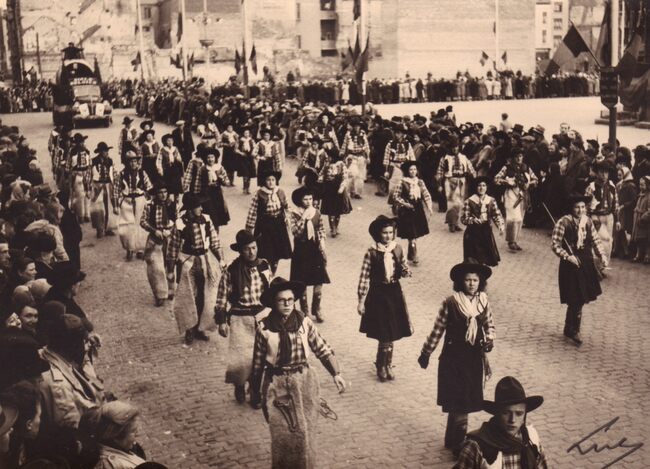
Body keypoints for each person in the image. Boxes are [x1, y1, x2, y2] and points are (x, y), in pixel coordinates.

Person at [249, 277, 346, 469]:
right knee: (283, 432)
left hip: (303, 382)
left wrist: (336, 373)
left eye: (290, 300)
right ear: (274, 303)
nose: (287, 304)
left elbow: (322, 348)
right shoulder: (265, 328)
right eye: (281, 300)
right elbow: (258, 362)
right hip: (277, 383)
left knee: (305, 430)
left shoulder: (304, 323)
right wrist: (256, 390)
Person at [418, 259, 495, 456]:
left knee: (464, 399)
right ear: (461, 282)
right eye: (468, 280)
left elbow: (489, 325)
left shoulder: (483, 302)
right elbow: (437, 330)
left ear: (480, 282)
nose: (471, 284)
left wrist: (489, 339)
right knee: (458, 399)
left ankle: (453, 438)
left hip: (473, 358)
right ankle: (458, 443)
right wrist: (426, 352)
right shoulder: (451, 303)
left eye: (475, 280)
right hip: (453, 358)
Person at [214, 230, 273, 405]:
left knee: (261, 357)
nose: (251, 252)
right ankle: (239, 384)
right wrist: (221, 321)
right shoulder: (231, 270)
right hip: (240, 317)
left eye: (254, 247)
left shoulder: (264, 266)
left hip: (261, 316)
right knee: (242, 357)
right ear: (241, 250)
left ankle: (255, 391)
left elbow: (271, 291)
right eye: (247, 249)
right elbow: (221, 296)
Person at [357, 215, 413, 382]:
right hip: (378, 294)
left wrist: (405, 271)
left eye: (390, 232)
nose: (388, 236)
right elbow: (364, 277)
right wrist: (361, 301)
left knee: (392, 328)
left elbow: (404, 266)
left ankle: (388, 364)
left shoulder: (398, 248)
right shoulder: (372, 252)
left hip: (394, 292)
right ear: (378, 234)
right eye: (384, 233)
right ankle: (381, 365)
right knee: (383, 330)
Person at [166, 193, 225, 345]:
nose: (201, 208)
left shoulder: (206, 220)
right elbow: (173, 248)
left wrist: (221, 259)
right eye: (198, 206)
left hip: (204, 260)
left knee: (205, 295)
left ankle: (201, 327)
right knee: (189, 296)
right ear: (190, 209)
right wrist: (171, 270)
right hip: (188, 261)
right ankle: (189, 329)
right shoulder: (180, 223)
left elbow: (215, 242)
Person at [453, 376, 548, 469]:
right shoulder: (476, 446)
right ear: (497, 414)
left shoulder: (531, 439)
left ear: (524, 416)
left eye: (519, 414)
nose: (512, 420)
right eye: (506, 413)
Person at [551, 194, 606, 346]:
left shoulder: (587, 221)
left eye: (582, 207)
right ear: (571, 208)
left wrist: (602, 255)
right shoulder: (564, 222)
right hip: (570, 264)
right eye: (577, 207)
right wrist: (567, 256)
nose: (580, 210)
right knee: (575, 297)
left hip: (586, 262)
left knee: (580, 297)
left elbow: (595, 239)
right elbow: (555, 244)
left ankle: (570, 327)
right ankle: (574, 329)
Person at [289, 186, 330, 322]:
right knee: (302, 282)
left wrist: (322, 241)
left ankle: (316, 308)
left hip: (315, 249)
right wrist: (303, 219)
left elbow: (321, 228)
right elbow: (296, 232)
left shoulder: (316, 212)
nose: (308, 202)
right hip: (301, 250)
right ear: (300, 200)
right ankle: (305, 310)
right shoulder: (294, 214)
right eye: (305, 199)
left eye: (310, 199)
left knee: (319, 280)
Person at [244, 171, 292, 275]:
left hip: (279, 225)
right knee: (267, 251)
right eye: (268, 180)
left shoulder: (280, 192)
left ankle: (273, 270)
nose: (271, 182)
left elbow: (287, 206)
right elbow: (252, 211)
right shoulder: (259, 194)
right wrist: (249, 228)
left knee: (278, 251)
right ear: (264, 181)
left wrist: (289, 218)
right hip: (265, 225)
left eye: (273, 180)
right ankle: (266, 271)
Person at [140, 183, 176, 307]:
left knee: (170, 265)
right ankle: (160, 294)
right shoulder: (150, 205)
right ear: (156, 194)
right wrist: (154, 230)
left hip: (170, 239)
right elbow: (143, 221)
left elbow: (178, 220)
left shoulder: (172, 205)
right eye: (160, 192)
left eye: (165, 192)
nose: (163, 195)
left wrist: (171, 229)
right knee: (156, 267)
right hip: (155, 240)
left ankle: (171, 290)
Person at [494, 149, 538, 251]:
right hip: (511, 194)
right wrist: (507, 182)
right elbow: (496, 179)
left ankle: (515, 240)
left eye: (520, 156)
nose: (519, 158)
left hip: (523, 195)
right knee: (513, 217)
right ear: (513, 158)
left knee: (520, 218)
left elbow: (536, 179)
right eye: (517, 156)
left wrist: (529, 184)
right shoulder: (507, 167)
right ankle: (511, 241)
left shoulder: (526, 168)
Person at [391, 160, 433, 265]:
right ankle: (414, 255)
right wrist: (405, 204)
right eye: (411, 169)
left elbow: (426, 194)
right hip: (406, 211)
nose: (413, 171)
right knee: (412, 234)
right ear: (407, 171)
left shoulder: (420, 182)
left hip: (417, 209)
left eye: (415, 169)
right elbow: (395, 196)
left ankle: (411, 254)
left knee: (414, 234)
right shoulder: (402, 182)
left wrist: (429, 207)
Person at [115, 151, 152, 261]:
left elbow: (149, 187)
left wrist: (149, 199)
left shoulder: (142, 173)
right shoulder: (121, 174)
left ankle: (140, 249)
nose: (133, 164)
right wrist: (116, 204)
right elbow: (116, 190)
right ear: (127, 163)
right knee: (127, 226)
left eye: (135, 161)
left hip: (140, 200)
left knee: (140, 224)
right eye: (130, 161)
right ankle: (129, 248)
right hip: (127, 201)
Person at [461, 176, 505, 266]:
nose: (481, 188)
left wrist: (500, 225)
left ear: (487, 187)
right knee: (473, 259)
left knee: (485, 258)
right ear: (476, 187)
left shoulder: (491, 200)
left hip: (486, 232)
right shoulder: (469, 201)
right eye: (479, 185)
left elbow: (496, 214)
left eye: (484, 185)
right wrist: (472, 220)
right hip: (472, 233)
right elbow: (464, 218)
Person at [437, 136, 477, 232]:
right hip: (450, 181)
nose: (455, 149)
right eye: (453, 147)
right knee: (451, 202)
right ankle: (451, 224)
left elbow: (471, 169)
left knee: (459, 203)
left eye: (456, 147)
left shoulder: (463, 157)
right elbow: (439, 172)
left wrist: (475, 177)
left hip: (461, 181)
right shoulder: (445, 158)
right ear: (450, 148)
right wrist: (439, 184)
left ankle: (456, 222)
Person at [585, 160, 618, 275]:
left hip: (608, 216)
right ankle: (596, 267)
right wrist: (589, 218)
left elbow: (615, 203)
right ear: (597, 172)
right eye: (601, 172)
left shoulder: (611, 186)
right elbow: (586, 204)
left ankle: (603, 266)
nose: (604, 175)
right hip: (596, 216)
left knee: (609, 242)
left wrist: (617, 220)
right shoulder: (592, 187)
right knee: (599, 241)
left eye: (606, 172)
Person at [94, 401, 146, 469]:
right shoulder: (118, 466)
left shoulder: (122, 449)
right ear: (116, 436)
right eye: (133, 431)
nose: (137, 434)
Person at [319, 150, 352, 237]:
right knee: (330, 210)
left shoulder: (341, 165)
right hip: (328, 190)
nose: (328, 158)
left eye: (329, 156)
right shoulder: (327, 164)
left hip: (338, 190)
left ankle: (336, 226)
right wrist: (321, 178)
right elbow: (321, 173)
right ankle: (332, 227)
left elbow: (345, 177)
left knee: (337, 210)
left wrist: (342, 187)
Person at [90, 142, 118, 239]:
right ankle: (99, 228)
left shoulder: (110, 161)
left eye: (107, 151)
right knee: (98, 208)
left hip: (108, 185)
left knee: (108, 207)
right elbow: (88, 174)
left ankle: (107, 228)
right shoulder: (93, 161)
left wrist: (114, 184)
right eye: (105, 151)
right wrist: (90, 186)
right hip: (97, 185)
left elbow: (113, 173)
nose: (107, 153)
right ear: (100, 152)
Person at [199, 147, 230, 231]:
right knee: (209, 215)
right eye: (208, 157)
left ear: (215, 158)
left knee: (217, 216)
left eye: (212, 157)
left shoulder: (220, 168)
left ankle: (216, 233)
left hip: (218, 195)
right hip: (206, 195)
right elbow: (198, 183)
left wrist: (222, 180)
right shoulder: (202, 169)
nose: (210, 159)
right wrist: (207, 185)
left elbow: (227, 182)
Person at [382, 123, 415, 200]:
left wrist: (413, 166)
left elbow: (412, 156)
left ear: (403, 134)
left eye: (399, 133)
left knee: (404, 186)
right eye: (396, 133)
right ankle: (393, 201)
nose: (397, 135)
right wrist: (386, 170)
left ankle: (401, 202)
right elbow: (386, 157)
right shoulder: (390, 144)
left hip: (405, 166)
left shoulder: (407, 144)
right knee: (393, 186)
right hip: (394, 165)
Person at [340, 117, 370, 199]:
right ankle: (350, 191)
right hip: (351, 156)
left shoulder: (363, 134)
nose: (357, 127)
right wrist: (342, 153)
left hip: (361, 156)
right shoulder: (348, 134)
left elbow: (366, 146)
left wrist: (368, 156)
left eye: (358, 126)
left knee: (360, 176)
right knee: (352, 174)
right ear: (353, 126)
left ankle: (358, 192)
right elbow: (344, 144)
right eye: (355, 126)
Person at [158, 134, 184, 203]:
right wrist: (160, 170)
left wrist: (178, 160)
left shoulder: (175, 149)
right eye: (168, 141)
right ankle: (167, 202)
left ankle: (176, 202)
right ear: (165, 142)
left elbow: (180, 159)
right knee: (168, 187)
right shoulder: (162, 150)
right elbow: (159, 161)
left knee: (176, 188)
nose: (170, 142)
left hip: (175, 171)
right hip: (167, 171)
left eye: (171, 141)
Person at [632, 175, 650, 263]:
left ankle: (647, 255)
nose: (641, 187)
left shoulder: (649, 196)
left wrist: (643, 217)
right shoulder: (640, 195)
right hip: (638, 220)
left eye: (643, 185)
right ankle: (638, 254)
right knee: (638, 238)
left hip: (645, 221)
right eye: (640, 184)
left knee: (646, 239)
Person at [237, 126, 256, 194]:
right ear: (243, 134)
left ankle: (248, 187)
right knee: (245, 173)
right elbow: (236, 149)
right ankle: (245, 187)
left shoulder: (251, 140)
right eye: (245, 133)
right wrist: (241, 153)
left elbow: (255, 147)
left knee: (249, 173)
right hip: (243, 158)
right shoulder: (240, 140)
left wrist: (253, 152)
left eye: (247, 133)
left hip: (250, 158)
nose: (246, 134)